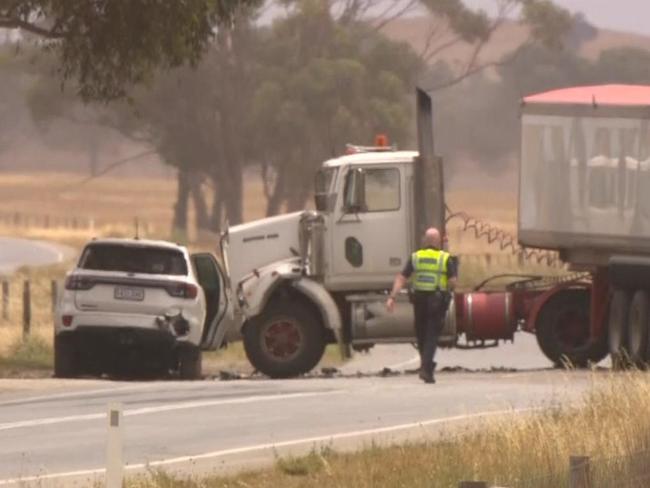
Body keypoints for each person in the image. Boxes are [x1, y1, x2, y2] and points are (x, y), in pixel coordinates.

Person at [385, 227, 457, 384]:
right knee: (431, 335)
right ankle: (426, 368)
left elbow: (402, 278)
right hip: (436, 301)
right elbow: (453, 282)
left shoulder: (416, 257)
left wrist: (392, 297)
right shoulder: (444, 258)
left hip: (419, 300)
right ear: (438, 241)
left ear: (425, 240)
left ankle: (427, 367)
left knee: (421, 334)